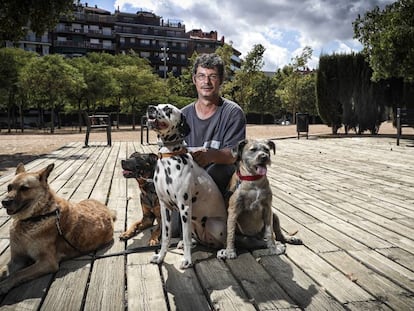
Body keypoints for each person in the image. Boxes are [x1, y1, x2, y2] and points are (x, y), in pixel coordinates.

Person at [182, 53, 245, 194]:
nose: (207, 82)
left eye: (213, 76)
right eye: (201, 76)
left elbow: (233, 155)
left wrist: (210, 155)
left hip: (219, 181)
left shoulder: (233, 113)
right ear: (194, 79)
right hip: (185, 178)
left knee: (218, 169)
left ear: (221, 80)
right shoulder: (182, 116)